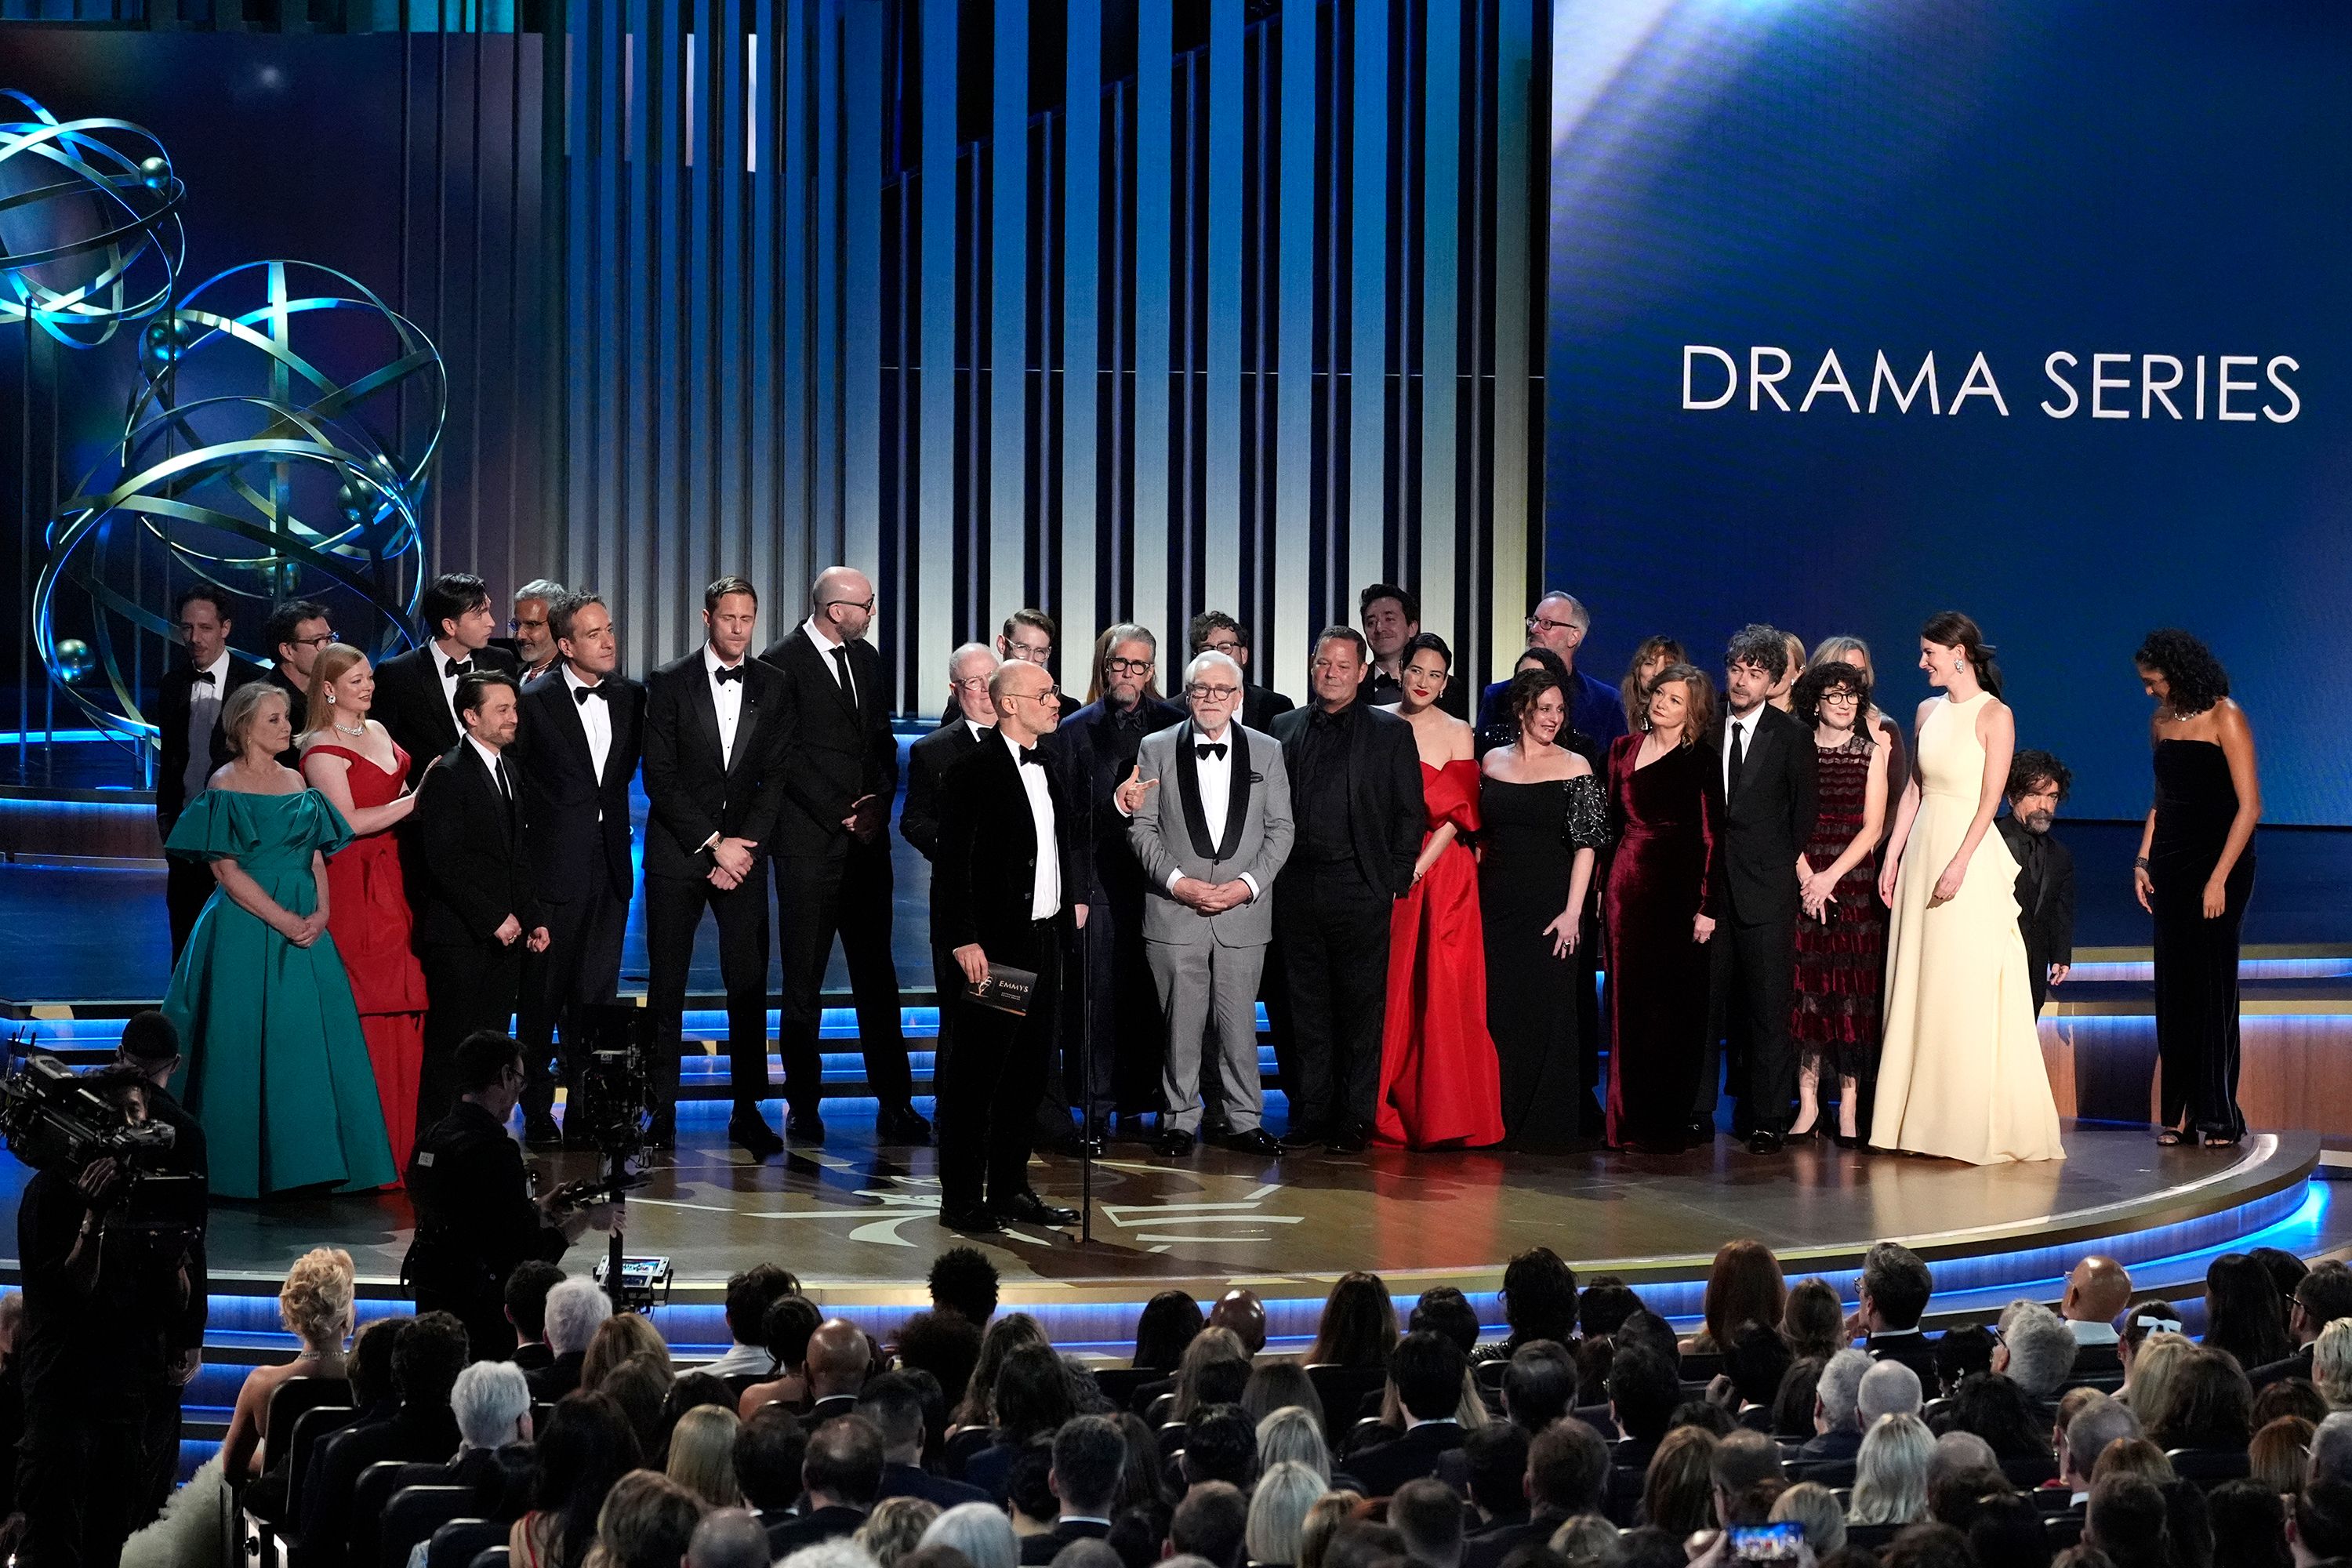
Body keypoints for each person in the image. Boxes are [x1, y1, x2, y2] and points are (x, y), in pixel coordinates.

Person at [160, 681, 397, 1198]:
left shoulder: (296, 780)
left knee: (305, 1043)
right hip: (246, 928)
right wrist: (285, 921)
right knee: (241, 1043)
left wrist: (320, 912)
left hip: (306, 925)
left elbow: (316, 856)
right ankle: (242, 1167)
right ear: (244, 727)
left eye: (287, 717)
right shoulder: (223, 783)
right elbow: (226, 872)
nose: (287, 726)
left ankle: (312, 1165)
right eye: (273, 719)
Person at [1871, 613, 2065, 1165]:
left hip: (1966, 857)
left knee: (1960, 988)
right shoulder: (1926, 712)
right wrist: (1894, 853)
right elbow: (1913, 788)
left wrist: (1958, 863)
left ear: (1959, 653)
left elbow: (1989, 799)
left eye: (1929, 653)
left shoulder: (1995, 715)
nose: (1921, 663)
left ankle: (1959, 1125)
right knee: (1919, 980)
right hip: (1923, 851)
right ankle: (1910, 1122)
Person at [760, 565, 927, 1146]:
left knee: (876, 977)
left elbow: (880, 740)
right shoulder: (780, 663)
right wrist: (841, 810)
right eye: (866, 603)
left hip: (866, 844)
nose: (872, 611)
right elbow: (782, 756)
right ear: (836, 610)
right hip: (811, 844)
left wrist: (878, 801)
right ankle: (803, 1105)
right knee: (803, 983)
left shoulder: (868, 658)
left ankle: (896, 1102)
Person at [14, 1069, 207, 1567]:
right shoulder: (50, 1194)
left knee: (115, 1541)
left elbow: (178, 1298)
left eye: (136, 1110)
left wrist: (170, 1257)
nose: (129, 1124)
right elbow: (70, 1294)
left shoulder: (155, 1189)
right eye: (115, 1111)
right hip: (64, 1395)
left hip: (126, 1394)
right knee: (54, 1542)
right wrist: (95, 1219)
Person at [931, 659, 1089, 1234]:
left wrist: (1071, 899)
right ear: (1009, 704)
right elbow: (952, 868)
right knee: (980, 1078)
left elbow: (1057, 845)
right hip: (998, 949)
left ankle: (1010, 1189)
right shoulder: (973, 772)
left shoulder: (1052, 765)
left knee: (1028, 1075)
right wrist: (963, 938)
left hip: (1043, 942)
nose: (1056, 702)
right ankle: (962, 1199)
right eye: (1045, 694)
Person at [1121, 649, 1294, 1156]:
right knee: (1180, 1022)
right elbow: (1142, 828)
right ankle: (1178, 1118)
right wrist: (1178, 883)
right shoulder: (1154, 747)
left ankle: (1244, 1119)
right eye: (1202, 690)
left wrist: (1246, 885)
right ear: (1188, 693)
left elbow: (1281, 830)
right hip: (1176, 910)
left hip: (1243, 912)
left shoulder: (1267, 750)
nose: (1212, 699)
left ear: (1238, 697)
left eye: (1223, 690)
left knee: (1239, 1023)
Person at [641, 575, 789, 1152]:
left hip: (745, 860)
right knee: (668, 985)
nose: (737, 628)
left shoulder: (774, 685)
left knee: (747, 985)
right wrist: (712, 843)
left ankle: (748, 1108)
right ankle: (661, 1109)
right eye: (728, 617)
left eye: (746, 618)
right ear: (707, 618)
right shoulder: (670, 681)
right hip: (681, 854)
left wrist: (743, 845)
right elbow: (660, 775)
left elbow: (774, 774)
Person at [1270, 628, 1424, 1153]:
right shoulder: (1283, 728)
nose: (1331, 672)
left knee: (1361, 1008)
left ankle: (1355, 1117)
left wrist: (1394, 881)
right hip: (1295, 886)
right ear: (1312, 667)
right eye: (1323, 663)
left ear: (1362, 673)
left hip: (1361, 885)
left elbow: (1410, 814)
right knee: (1305, 1007)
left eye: (1342, 665)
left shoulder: (1391, 733)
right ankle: (1312, 1112)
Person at [509, 590, 644, 1145]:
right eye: (593, 634)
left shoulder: (633, 697)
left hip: (609, 870)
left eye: (609, 629)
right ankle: (538, 1114)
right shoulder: (534, 703)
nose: (608, 641)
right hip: (551, 875)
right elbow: (518, 798)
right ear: (565, 645)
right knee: (542, 1002)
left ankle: (596, 1116)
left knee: (600, 1000)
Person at [297, 644, 434, 1170]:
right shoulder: (319, 748)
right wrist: (418, 798)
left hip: (397, 876)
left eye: (369, 677)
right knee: (369, 1004)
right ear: (328, 688)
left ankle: (404, 1146)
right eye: (356, 680)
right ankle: (368, 1153)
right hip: (355, 883)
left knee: (406, 1001)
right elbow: (347, 822)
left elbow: (398, 791)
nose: (368, 686)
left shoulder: (376, 731)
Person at [1367, 633, 1503, 1149]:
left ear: (1446, 683)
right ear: (1401, 671)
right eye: (1416, 670)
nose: (1423, 682)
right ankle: (1388, 1105)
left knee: (1444, 988)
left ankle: (1446, 1112)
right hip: (1388, 868)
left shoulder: (1458, 731)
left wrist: (1416, 869)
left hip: (1442, 873)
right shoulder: (1377, 720)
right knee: (1395, 986)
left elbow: (1459, 813)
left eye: (1434, 675)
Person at [1054, 623, 1188, 1144]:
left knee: (1152, 999)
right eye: (1118, 665)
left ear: (1152, 671)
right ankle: (1097, 1105)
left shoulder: (1177, 724)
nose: (1127, 674)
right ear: (1104, 668)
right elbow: (1068, 819)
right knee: (1098, 1000)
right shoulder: (1075, 728)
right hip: (1102, 887)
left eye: (1138, 666)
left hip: (1163, 884)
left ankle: (1145, 1102)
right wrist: (1078, 894)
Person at [403, 1031, 613, 1359]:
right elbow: (524, 1257)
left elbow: (470, 1216)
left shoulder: (429, 1139)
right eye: (519, 1079)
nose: (518, 1092)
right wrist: (584, 1220)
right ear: (504, 1076)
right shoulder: (494, 1152)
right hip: (481, 1320)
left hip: (432, 1305)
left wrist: (537, 1210)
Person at [2132, 630, 2261, 1147]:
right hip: (2171, 862)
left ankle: (2219, 1116)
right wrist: (2143, 859)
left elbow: (2250, 807)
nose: (2147, 691)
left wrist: (2218, 879)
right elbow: (2162, 800)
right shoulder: (2161, 723)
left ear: (2177, 672)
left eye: (2153, 681)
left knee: (2211, 990)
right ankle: (2180, 1116)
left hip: (2221, 863)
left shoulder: (2226, 716)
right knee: (2175, 988)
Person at [411, 670, 550, 1130]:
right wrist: (494, 919)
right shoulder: (450, 773)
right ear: (471, 717)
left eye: (514, 708)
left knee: (489, 1048)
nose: (514, 718)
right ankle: (436, 1142)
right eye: (502, 710)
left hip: (502, 939)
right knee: (454, 1046)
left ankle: (477, 1137)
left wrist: (532, 918)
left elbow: (518, 855)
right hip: (461, 939)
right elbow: (443, 863)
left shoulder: (507, 768)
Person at [1479, 665, 1607, 1149]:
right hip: (1497, 905)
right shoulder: (1491, 761)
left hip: (1552, 906)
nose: (1553, 718)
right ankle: (1499, 1119)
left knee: (1548, 1012)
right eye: (1544, 709)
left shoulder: (1577, 766)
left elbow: (1588, 845)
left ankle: (1545, 1125)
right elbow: (1477, 834)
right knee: (1500, 1011)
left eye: (1559, 709)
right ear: (1521, 711)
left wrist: (1574, 911)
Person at [1708, 625, 1819, 1152]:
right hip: (1711, 892)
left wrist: (1776, 872)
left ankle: (1766, 1118)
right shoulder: (1705, 728)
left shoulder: (1791, 735)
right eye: (1736, 669)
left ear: (1774, 680)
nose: (1741, 681)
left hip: (1766, 892)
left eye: (1754, 673)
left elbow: (1804, 817)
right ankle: (1695, 1112)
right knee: (1707, 1007)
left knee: (1767, 1011)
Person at [1602, 662, 1720, 1149]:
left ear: (1691, 712)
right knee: (1626, 1005)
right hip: (1625, 889)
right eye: (1659, 694)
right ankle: (1626, 1120)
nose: (1661, 704)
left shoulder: (1701, 759)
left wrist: (1707, 905)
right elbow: (1608, 824)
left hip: (1679, 893)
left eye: (1674, 700)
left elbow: (1713, 837)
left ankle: (1666, 1120)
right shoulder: (1622, 749)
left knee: (1672, 1010)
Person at [1787, 660, 1889, 1147]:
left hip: (1850, 880)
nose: (1845, 703)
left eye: (1852, 696)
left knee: (1850, 995)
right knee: (1806, 993)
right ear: (1817, 702)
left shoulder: (1872, 753)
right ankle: (1808, 1104)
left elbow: (1872, 828)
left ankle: (1847, 1106)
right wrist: (1808, 877)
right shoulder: (1797, 748)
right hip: (1804, 877)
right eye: (1835, 695)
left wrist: (1829, 878)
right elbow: (1783, 817)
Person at [154, 585, 265, 960]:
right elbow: (171, 760)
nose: (195, 638)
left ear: (225, 628)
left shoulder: (256, 684)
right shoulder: (172, 683)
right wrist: (168, 824)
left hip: (240, 834)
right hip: (187, 831)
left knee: (234, 942)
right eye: (187, 628)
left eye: (204, 628)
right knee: (184, 941)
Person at [372, 572, 523, 785]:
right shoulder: (398, 674)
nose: (491, 622)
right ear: (450, 626)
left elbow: (514, 734)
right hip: (429, 801)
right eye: (480, 614)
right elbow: (382, 749)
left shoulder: (501, 661)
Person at [220, 1247, 354, 1481]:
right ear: (346, 1317)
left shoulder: (261, 1384)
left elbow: (232, 1468)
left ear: (292, 1315)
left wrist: (284, 1467)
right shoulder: (368, 1381)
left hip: (280, 1512)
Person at [1475, 593, 1628, 755]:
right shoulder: (1498, 696)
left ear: (1574, 637)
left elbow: (1618, 770)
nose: (1534, 629)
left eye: (1547, 624)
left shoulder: (1606, 702)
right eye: (1533, 621)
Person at [1999, 748, 2078, 1017]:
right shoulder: (1990, 844)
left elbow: (2060, 911)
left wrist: (2060, 954)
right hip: (1994, 968)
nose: (2044, 806)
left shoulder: (2060, 855)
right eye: (2034, 795)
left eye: (2052, 797)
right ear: (2012, 797)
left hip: (2034, 973)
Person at [942, 608, 1058, 725]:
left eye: (1040, 651)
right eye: (1022, 648)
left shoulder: (1065, 708)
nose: (1030, 660)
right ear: (1002, 645)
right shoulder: (969, 701)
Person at [1190, 612, 1296, 733]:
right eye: (1206, 650)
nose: (1217, 655)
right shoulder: (1177, 711)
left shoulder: (1276, 708)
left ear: (1243, 655)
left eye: (1225, 647)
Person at [263, 597, 336, 764]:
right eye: (318, 641)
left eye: (330, 638)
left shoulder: (332, 692)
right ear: (287, 651)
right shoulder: (260, 701)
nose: (328, 648)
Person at [1618, 635, 1684, 732]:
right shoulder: (1616, 710)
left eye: (1667, 666)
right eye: (1649, 664)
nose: (1657, 673)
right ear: (1638, 669)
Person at [506, 579, 567, 679]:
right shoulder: (511, 676)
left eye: (531, 625)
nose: (519, 635)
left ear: (558, 625)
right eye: (516, 625)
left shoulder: (570, 678)